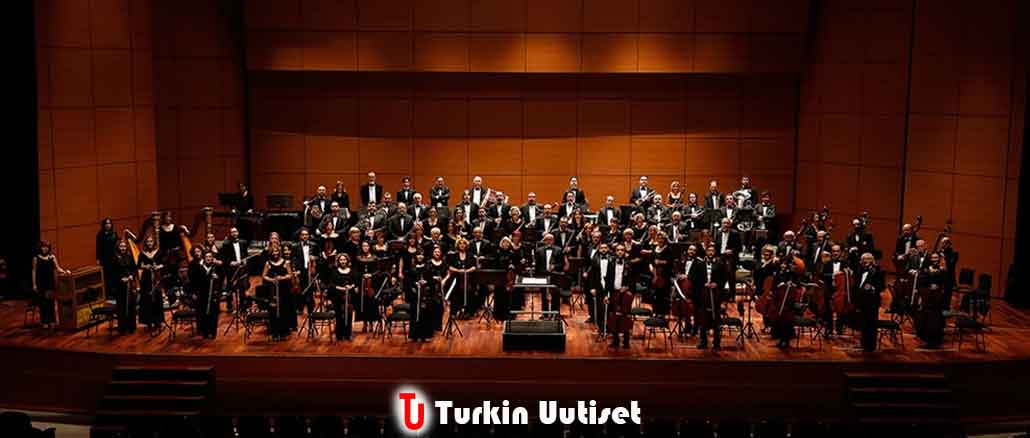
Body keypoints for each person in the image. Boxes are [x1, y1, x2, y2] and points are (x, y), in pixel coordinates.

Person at [32, 241, 69, 329]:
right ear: (40, 248)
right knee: (43, 303)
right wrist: (34, 284)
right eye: (43, 247)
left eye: (47, 247)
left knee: (51, 302)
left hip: (50, 283)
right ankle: (44, 321)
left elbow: (58, 268)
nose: (45, 248)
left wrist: (65, 271)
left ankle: (52, 320)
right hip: (41, 283)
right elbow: (34, 271)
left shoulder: (52, 257)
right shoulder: (36, 258)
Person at [695, 244, 726, 350]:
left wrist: (716, 284)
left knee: (716, 318)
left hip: (715, 293)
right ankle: (703, 341)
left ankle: (716, 343)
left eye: (713, 251)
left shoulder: (720, 264)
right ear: (706, 252)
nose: (711, 252)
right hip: (704, 293)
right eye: (709, 250)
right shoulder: (700, 264)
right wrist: (703, 284)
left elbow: (724, 278)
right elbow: (696, 278)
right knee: (703, 318)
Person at [261, 244, 293, 341]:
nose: (275, 253)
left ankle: (283, 331)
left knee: (284, 309)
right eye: (273, 252)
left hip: (284, 289)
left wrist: (281, 278)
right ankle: (274, 331)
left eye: (277, 251)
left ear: (279, 252)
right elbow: (264, 276)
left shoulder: (285, 262)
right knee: (273, 310)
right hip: (272, 290)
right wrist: (272, 280)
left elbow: (290, 275)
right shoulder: (268, 263)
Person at [605, 244, 634, 349]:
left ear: (625, 252)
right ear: (615, 252)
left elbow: (633, 279)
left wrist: (627, 287)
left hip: (625, 294)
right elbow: (608, 279)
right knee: (613, 317)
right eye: (618, 250)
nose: (620, 252)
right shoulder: (611, 263)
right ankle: (615, 340)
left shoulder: (629, 263)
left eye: (622, 250)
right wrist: (606, 295)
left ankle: (626, 341)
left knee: (625, 317)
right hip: (614, 292)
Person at [855, 253, 885, 352]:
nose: (866, 261)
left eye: (868, 259)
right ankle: (864, 344)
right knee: (863, 323)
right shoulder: (860, 270)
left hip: (872, 301)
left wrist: (872, 287)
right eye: (864, 259)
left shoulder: (878, 271)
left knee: (871, 324)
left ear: (872, 260)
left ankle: (871, 346)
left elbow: (882, 286)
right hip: (862, 300)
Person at [191, 250, 221, 339]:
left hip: (213, 294)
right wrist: (194, 292)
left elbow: (221, 280)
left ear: (212, 258)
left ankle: (212, 332)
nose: (208, 258)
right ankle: (204, 332)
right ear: (204, 258)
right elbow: (195, 281)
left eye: (210, 257)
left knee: (213, 314)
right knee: (203, 313)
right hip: (202, 294)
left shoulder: (216, 268)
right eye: (206, 257)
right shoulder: (199, 268)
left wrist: (217, 277)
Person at [137, 235, 165, 331]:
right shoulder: (142, 253)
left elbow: (163, 263)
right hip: (146, 278)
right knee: (147, 299)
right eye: (148, 241)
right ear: (145, 243)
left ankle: (158, 321)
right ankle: (148, 321)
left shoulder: (158, 252)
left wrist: (158, 267)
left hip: (156, 277)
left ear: (154, 243)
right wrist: (145, 266)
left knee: (157, 298)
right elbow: (139, 265)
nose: (149, 243)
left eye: (151, 241)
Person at [111, 240, 138, 335]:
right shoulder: (114, 258)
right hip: (120, 285)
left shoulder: (129, 256)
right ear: (118, 247)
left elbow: (134, 268)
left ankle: (131, 327)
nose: (123, 248)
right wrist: (120, 278)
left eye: (124, 246)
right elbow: (113, 272)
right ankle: (122, 328)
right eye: (121, 246)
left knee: (131, 305)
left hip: (129, 284)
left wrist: (131, 275)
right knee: (122, 306)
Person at [329, 253, 357, 341]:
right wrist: (340, 288)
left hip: (349, 296)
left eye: (344, 260)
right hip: (338, 296)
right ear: (338, 261)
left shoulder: (352, 271)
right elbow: (332, 284)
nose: (343, 261)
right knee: (339, 315)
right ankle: (339, 334)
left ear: (347, 261)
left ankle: (348, 334)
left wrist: (350, 286)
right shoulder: (335, 271)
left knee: (349, 315)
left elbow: (355, 282)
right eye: (341, 260)